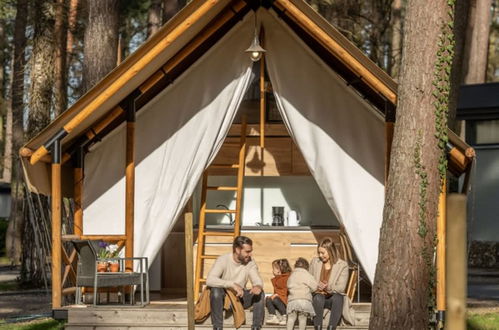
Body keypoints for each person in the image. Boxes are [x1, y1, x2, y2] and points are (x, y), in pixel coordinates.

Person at [206, 235, 265, 330]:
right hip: (224, 298)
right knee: (215, 290)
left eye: (251, 251)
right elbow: (210, 280)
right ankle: (217, 327)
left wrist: (257, 286)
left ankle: (256, 327)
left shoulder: (250, 262)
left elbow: (256, 279)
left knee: (260, 293)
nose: (250, 254)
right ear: (237, 250)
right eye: (247, 252)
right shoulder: (223, 259)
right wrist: (232, 285)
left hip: (240, 298)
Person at [310, 237, 349, 330]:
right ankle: (317, 328)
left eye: (323, 253)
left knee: (338, 298)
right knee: (318, 298)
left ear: (330, 251)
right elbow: (309, 280)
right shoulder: (315, 262)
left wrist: (327, 287)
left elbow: (341, 288)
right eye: (319, 252)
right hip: (318, 297)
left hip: (332, 297)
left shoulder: (342, 265)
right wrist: (316, 286)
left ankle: (331, 328)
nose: (320, 255)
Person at [286, 257, 318, 330]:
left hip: (293, 300)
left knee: (291, 318)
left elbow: (288, 285)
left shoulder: (292, 275)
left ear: (295, 266)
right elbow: (315, 286)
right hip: (304, 300)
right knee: (303, 319)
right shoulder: (307, 275)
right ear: (307, 267)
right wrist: (310, 291)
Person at [266, 258, 292, 325]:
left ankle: (285, 315)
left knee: (275, 299)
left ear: (279, 270)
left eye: (273, 269)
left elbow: (286, 290)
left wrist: (277, 295)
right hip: (279, 298)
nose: (272, 271)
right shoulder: (277, 279)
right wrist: (274, 295)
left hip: (285, 300)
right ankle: (273, 316)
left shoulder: (287, 278)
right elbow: (277, 290)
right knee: (268, 299)